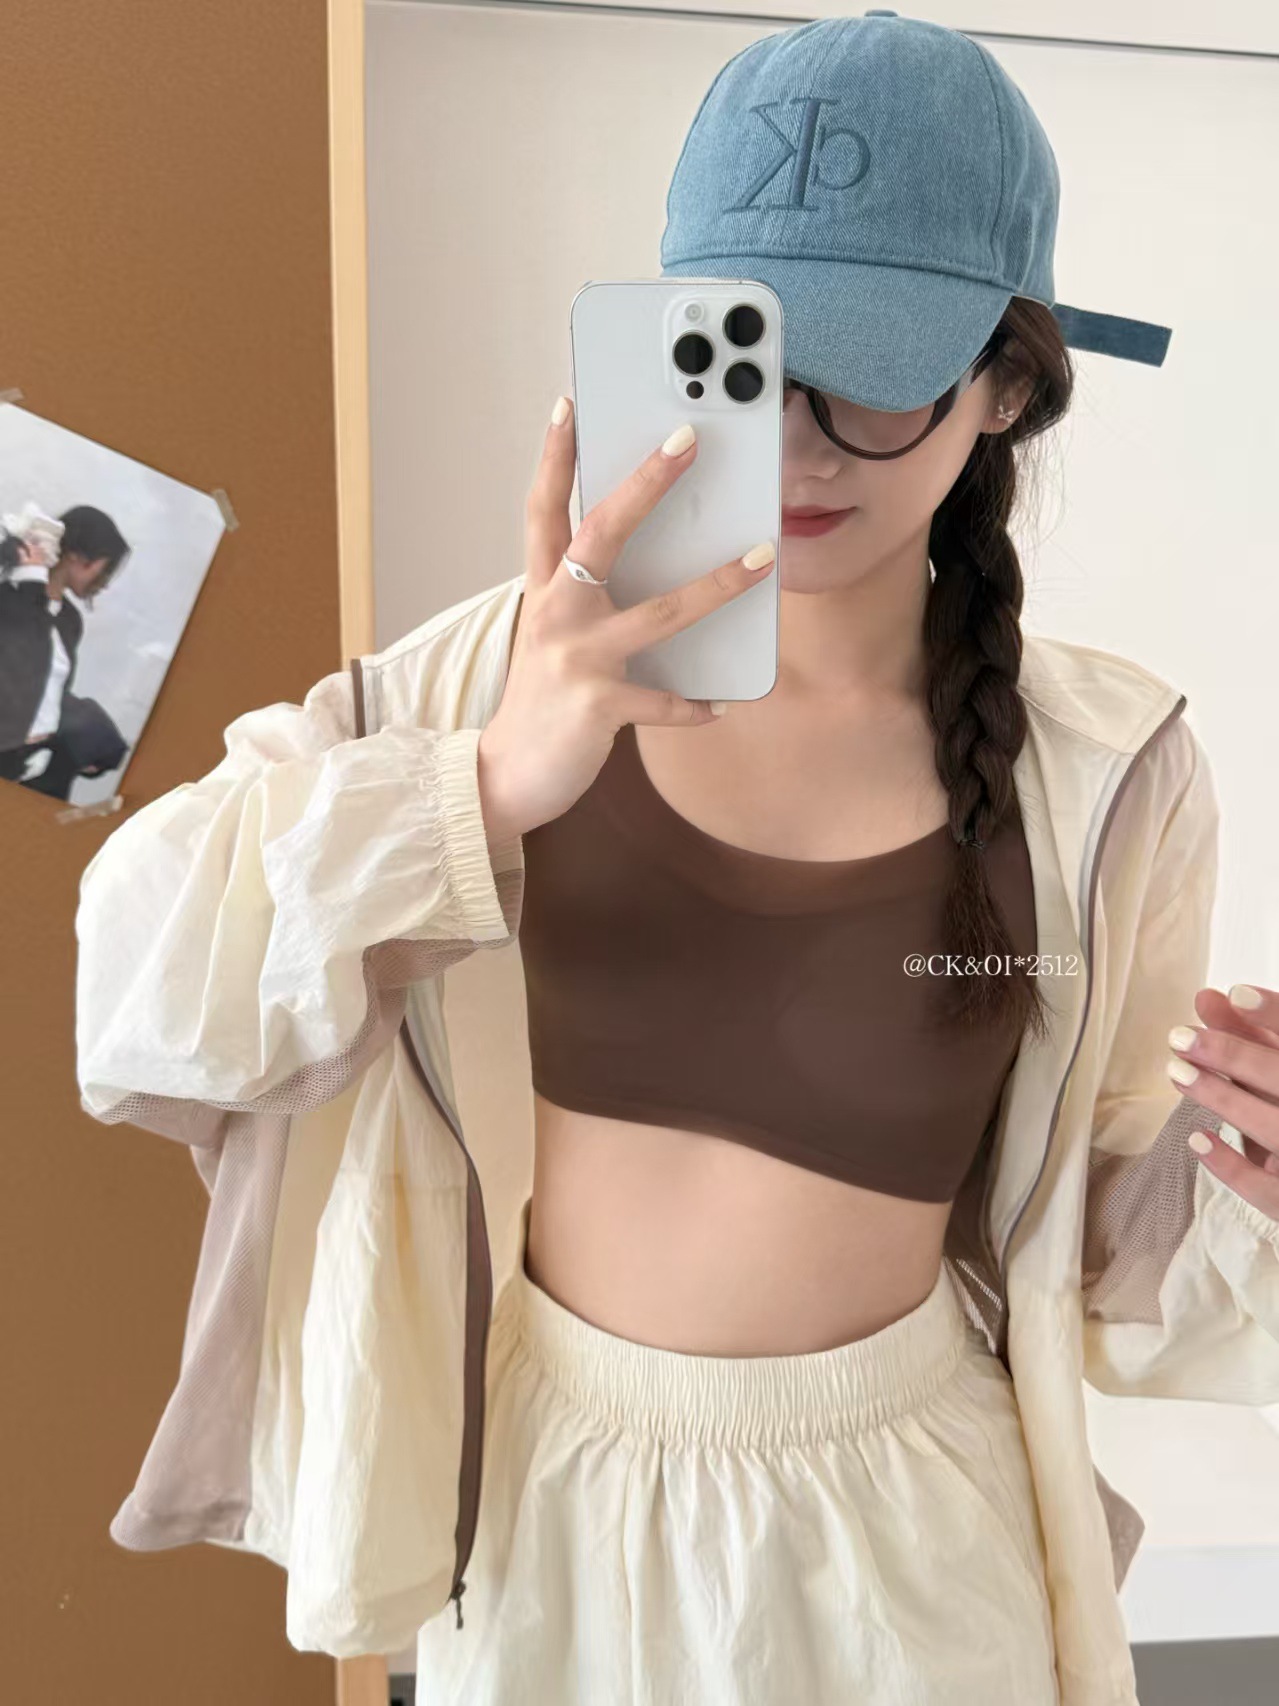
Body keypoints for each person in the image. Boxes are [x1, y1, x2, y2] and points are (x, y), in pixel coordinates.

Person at [74, 15, 1279, 1706]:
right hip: (550, 1523)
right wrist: (485, 784)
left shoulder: (1105, 770)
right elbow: (134, 979)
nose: (792, 446)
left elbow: (1088, 1226)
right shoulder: (474, 690)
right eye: (740, 361)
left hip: (911, 1554)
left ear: (1005, 385)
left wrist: (1242, 1170)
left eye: (868, 373)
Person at [0, 503, 131, 795]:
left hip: (39, 758)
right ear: (76, 556)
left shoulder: (70, 621)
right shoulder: (10, 598)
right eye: (105, 568)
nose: (105, 583)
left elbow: (52, 686)